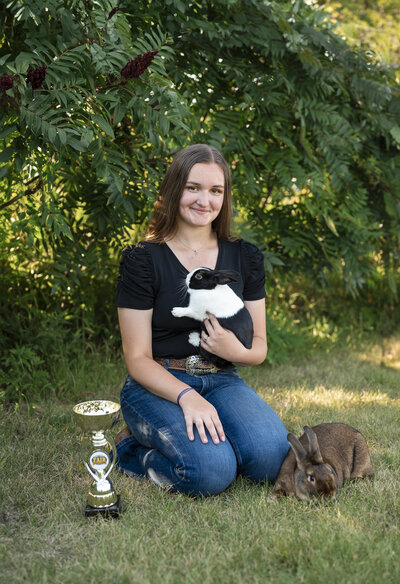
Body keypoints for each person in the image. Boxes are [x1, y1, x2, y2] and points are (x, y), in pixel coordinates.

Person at [115, 143, 289, 496]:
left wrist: (235, 352)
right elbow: (136, 358)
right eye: (193, 187)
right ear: (174, 189)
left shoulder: (245, 257)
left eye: (215, 190)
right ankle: (132, 449)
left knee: (271, 459)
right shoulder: (142, 259)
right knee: (210, 472)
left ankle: (218, 443)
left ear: (225, 196)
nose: (204, 200)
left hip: (223, 379)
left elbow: (259, 347)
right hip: (160, 380)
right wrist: (187, 397)